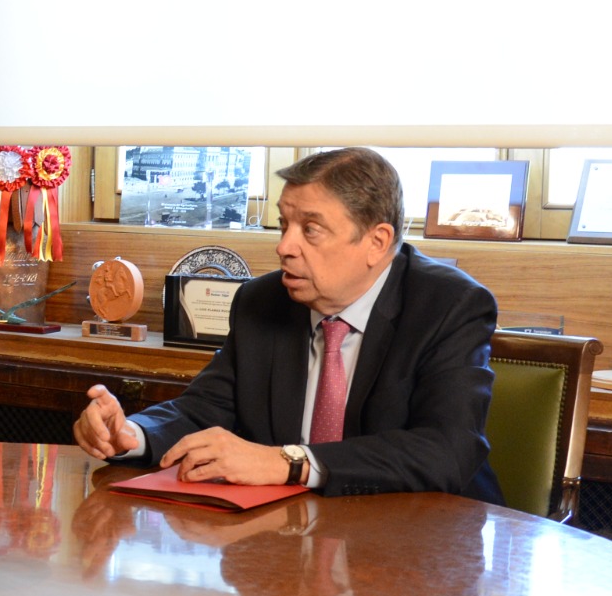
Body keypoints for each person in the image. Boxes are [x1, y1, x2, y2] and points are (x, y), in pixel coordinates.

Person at [72, 146, 503, 502]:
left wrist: (289, 461)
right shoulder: (263, 300)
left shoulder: (449, 305)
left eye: (310, 230)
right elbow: (204, 409)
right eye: (284, 224)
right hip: (291, 539)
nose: (284, 247)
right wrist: (134, 433)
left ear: (377, 242)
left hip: (425, 549)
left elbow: (448, 449)